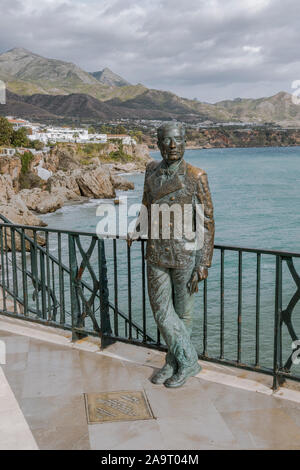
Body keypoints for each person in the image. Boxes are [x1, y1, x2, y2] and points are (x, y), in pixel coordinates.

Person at [132, 122, 215, 388]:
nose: (172, 145)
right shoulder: (151, 170)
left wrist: (204, 262)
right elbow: (146, 204)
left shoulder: (196, 175)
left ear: (185, 143)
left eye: (177, 140)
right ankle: (189, 360)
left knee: (183, 313)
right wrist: (137, 229)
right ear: (157, 144)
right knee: (161, 311)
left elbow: (207, 222)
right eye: (166, 140)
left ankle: (174, 362)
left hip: (184, 254)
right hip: (156, 251)